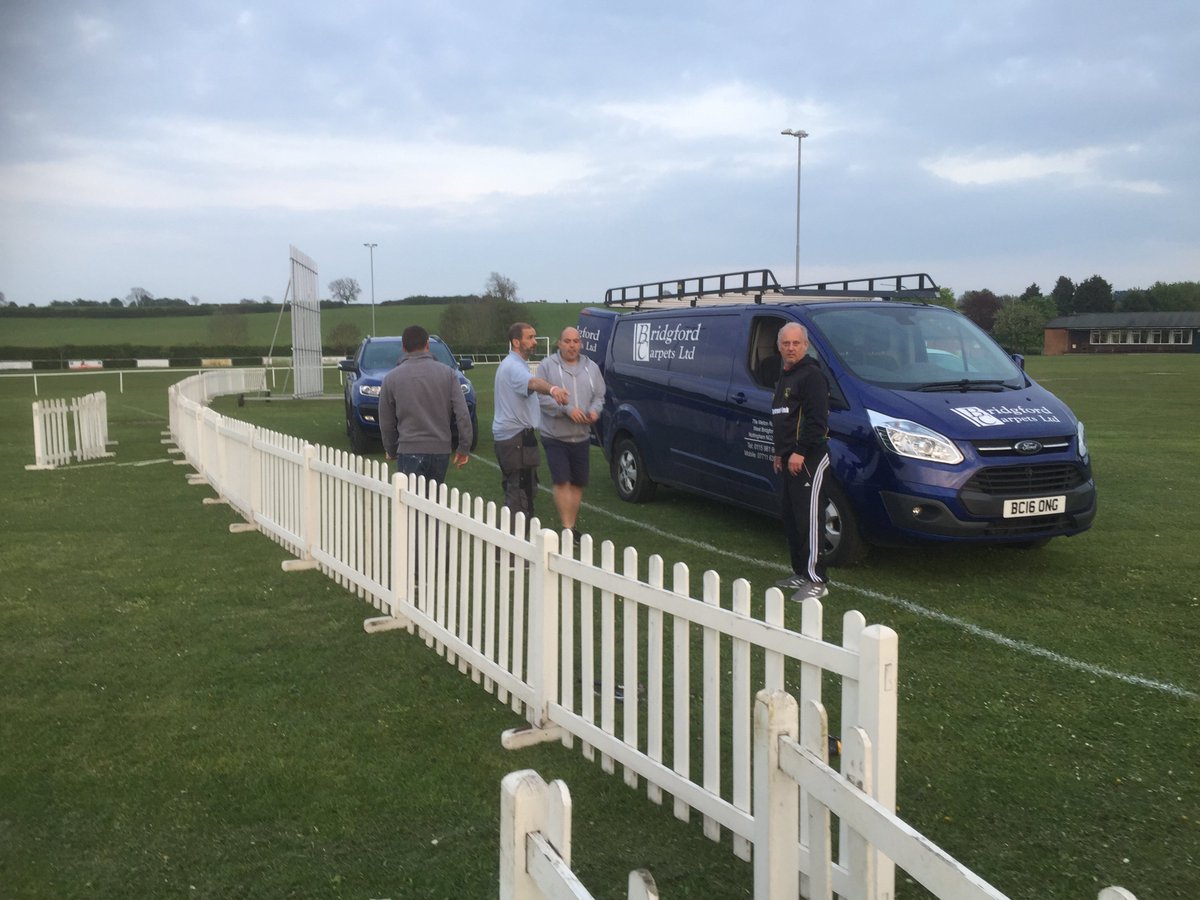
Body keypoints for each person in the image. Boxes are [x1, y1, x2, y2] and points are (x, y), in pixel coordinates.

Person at [771, 322, 831, 600]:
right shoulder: (785, 375)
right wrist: (779, 452)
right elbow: (785, 418)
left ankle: (818, 579)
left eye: (796, 343)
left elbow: (817, 423)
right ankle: (800, 573)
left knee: (809, 518)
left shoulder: (812, 376)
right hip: (789, 458)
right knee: (792, 518)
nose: (791, 348)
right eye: (786, 343)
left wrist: (800, 451)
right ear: (779, 346)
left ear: (805, 346)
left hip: (810, 458)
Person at [493, 322, 569, 528]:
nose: (535, 342)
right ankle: (511, 550)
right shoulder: (514, 367)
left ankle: (509, 548)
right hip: (516, 439)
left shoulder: (514, 364)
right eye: (530, 338)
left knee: (519, 491)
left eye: (535, 337)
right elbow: (533, 384)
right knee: (520, 493)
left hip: (514, 437)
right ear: (516, 342)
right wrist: (553, 389)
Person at [378, 324, 472, 483]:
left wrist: (391, 449)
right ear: (427, 345)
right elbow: (462, 413)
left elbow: (386, 422)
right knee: (433, 502)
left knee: (410, 504)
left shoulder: (391, 378)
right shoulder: (448, 374)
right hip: (440, 450)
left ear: (403, 347)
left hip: (409, 449)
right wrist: (464, 447)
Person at [535, 326, 606, 537]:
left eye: (576, 341)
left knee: (577, 483)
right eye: (567, 341)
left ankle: (571, 526)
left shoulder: (591, 367)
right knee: (561, 480)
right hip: (554, 435)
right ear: (559, 343)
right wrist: (566, 410)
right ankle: (566, 527)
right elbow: (541, 397)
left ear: (580, 344)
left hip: (582, 436)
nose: (572, 345)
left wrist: (594, 411)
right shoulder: (547, 366)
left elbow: (600, 396)